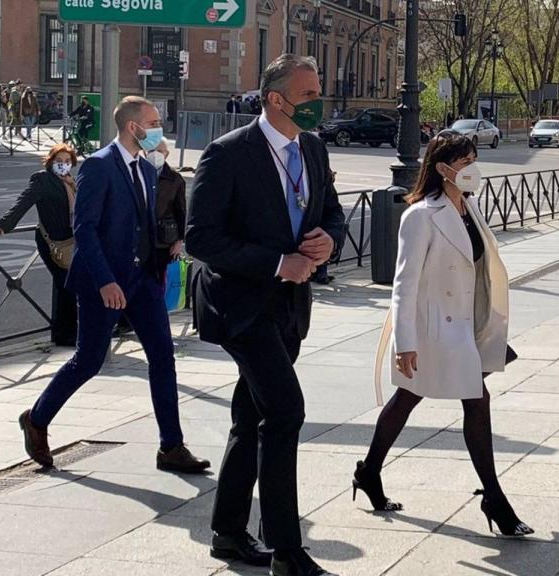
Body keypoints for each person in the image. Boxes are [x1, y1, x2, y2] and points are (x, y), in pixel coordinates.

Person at [185, 54, 346, 576]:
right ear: (276, 99)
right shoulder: (228, 153)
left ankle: (228, 532)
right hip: (241, 306)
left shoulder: (313, 148)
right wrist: (279, 262)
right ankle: (286, 551)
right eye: (309, 94)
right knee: (285, 412)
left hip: (289, 307)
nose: (319, 102)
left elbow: (331, 212)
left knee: (250, 416)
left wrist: (329, 240)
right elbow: (201, 238)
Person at [17, 96, 210, 476]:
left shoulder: (147, 167)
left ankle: (171, 446)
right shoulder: (99, 166)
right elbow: (85, 228)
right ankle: (37, 419)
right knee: (88, 361)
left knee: (163, 357)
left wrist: (165, 255)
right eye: (152, 123)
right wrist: (105, 281)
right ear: (133, 127)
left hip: (143, 280)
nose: (158, 129)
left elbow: (150, 219)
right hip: (103, 282)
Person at [359, 131, 533, 537]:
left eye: (474, 159)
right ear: (442, 168)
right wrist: (405, 343)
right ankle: (494, 497)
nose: (473, 168)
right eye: (464, 162)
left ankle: (369, 471)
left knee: (409, 398)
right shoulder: (421, 216)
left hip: (468, 324)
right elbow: (404, 284)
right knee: (474, 400)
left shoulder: (470, 209)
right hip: (435, 328)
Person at [0, 143, 79, 347]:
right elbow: (24, 201)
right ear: (50, 161)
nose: (63, 164)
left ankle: (66, 332)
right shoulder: (43, 179)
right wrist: (4, 224)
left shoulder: (70, 181)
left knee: (68, 286)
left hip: (71, 241)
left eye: (67, 161)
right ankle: (65, 334)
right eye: (59, 161)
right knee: (66, 286)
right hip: (52, 242)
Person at [145, 139, 187, 268]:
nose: (155, 154)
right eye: (151, 150)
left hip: (164, 240)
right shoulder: (136, 173)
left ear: (166, 154)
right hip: (140, 239)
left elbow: (181, 211)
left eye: (159, 151)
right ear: (145, 152)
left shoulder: (175, 179)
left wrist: (179, 240)